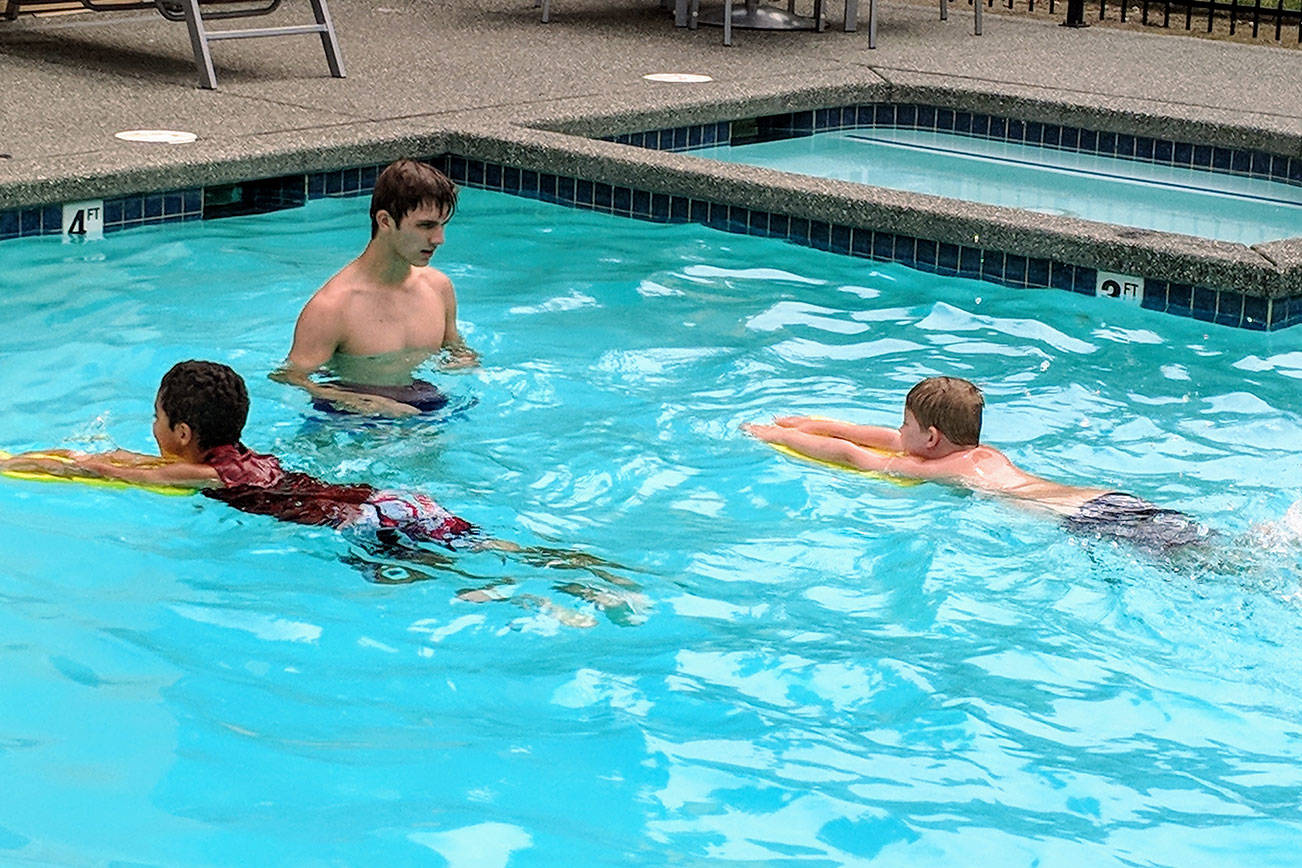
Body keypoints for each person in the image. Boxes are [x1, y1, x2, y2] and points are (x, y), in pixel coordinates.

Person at [1, 361, 641, 622]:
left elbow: (100, 471)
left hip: (357, 526)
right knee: (486, 544)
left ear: (184, 432)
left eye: (157, 420)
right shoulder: (245, 459)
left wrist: (42, 461)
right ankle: (588, 571)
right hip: (389, 498)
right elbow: (128, 459)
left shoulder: (199, 474)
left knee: (442, 578)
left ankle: (543, 607)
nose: (151, 430)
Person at [743, 376, 1211, 552]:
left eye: (905, 424)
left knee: (1192, 562)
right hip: (1101, 498)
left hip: (1080, 520)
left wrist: (778, 436)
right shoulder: (977, 455)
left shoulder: (934, 469)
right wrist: (814, 421)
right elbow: (887, 439)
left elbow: (854, 456)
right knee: (1204, 548)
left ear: (930, 438)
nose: (896, 433)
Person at [272, 159, 478, 418]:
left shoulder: (439, 288)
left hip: (425, 409)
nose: (439, 239)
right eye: (426, 226)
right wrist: (365, 404)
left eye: (441, 225)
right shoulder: (333, 307)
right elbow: (289, 377)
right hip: (347, 424)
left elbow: (454, 346)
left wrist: (465, 359)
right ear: (385, 221)